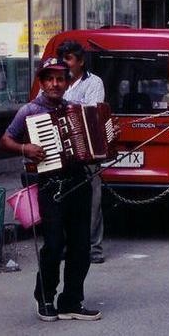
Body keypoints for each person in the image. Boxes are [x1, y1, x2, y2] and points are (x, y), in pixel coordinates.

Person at [0, 57, 102, 322]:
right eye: (50, 79)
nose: (55, 84)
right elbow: (5, 140)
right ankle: (44, 297)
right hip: (50, 186)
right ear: (42, 82)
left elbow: (93, 145)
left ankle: (71, 301)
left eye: (60, 79)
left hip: (79, 184)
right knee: (54, 245)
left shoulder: (75, 109)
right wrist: (25, 148)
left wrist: (103, 142)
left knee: (81, 246)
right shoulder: (29, 111)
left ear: (67, 83)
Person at [57, 40, 106, 264]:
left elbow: (91, 112)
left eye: (68, 58)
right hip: (61, 149)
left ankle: (94, 248)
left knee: (93, 200)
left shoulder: (93, 82)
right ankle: (69, 245)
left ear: (80, 61)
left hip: (87, 149)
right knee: (65, 198)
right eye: (62, 58)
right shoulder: (56, 81)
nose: (64, 63)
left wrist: (64, 105)